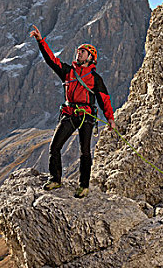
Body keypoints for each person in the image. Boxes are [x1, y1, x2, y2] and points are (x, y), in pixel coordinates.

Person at [30, 25, 116, 198]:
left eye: (83, 52)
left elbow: (104, 99)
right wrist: (41, 41)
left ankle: (84, 185)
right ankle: (55, 179)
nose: (79, 53)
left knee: (85, 151)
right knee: (55, 146)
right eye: (78, 51)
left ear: (91, 57)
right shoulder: (68, 71)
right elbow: (51, 60)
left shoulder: (95, 79)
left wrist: (110, 119)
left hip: (87, 116)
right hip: (69, 114)